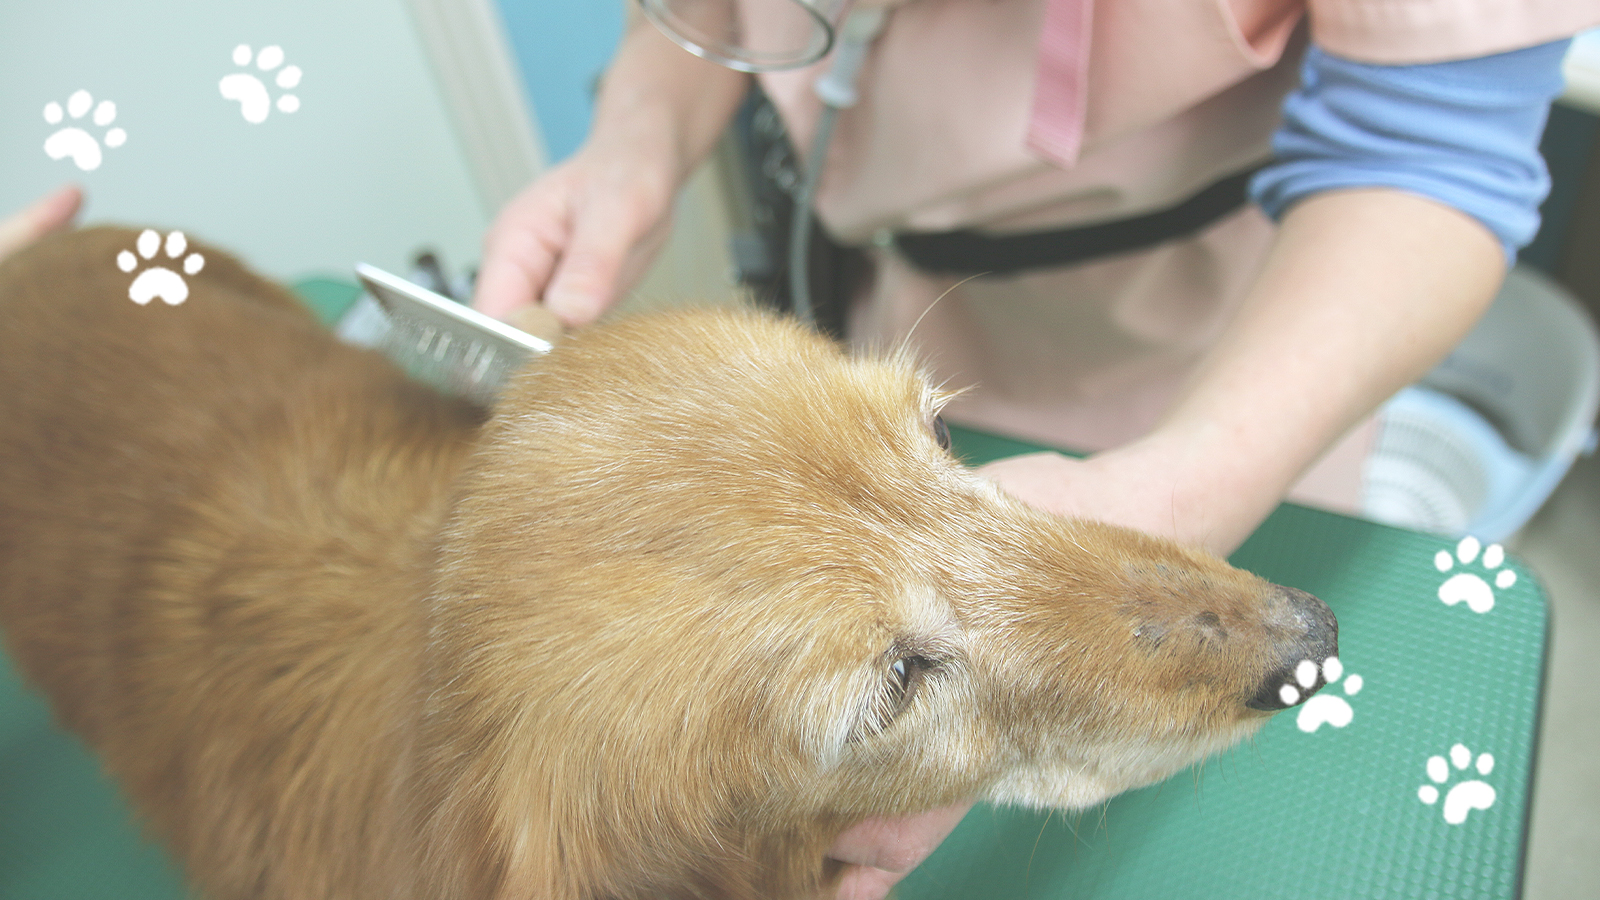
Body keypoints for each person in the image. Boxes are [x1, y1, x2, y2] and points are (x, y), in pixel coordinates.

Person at [471, 3, 1598, 896]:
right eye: (896, 676)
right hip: (918, 305)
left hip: (1244, 328)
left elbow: (1436, 146)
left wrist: (1184, 483)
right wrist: (639, 136)